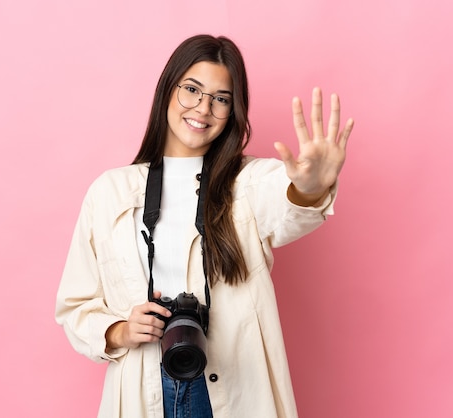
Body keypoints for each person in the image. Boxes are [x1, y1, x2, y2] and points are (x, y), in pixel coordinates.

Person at [55, 34, 353, 418]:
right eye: (192, 89)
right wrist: (120, 331)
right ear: (168, 90)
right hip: (145, 386)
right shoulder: (110, 191)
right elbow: (75, 305)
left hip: (230, 388)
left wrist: (310, 188)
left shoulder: (245, 182)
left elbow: (286, 201)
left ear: (233, 111)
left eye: (221, 98)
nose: (203, 107)